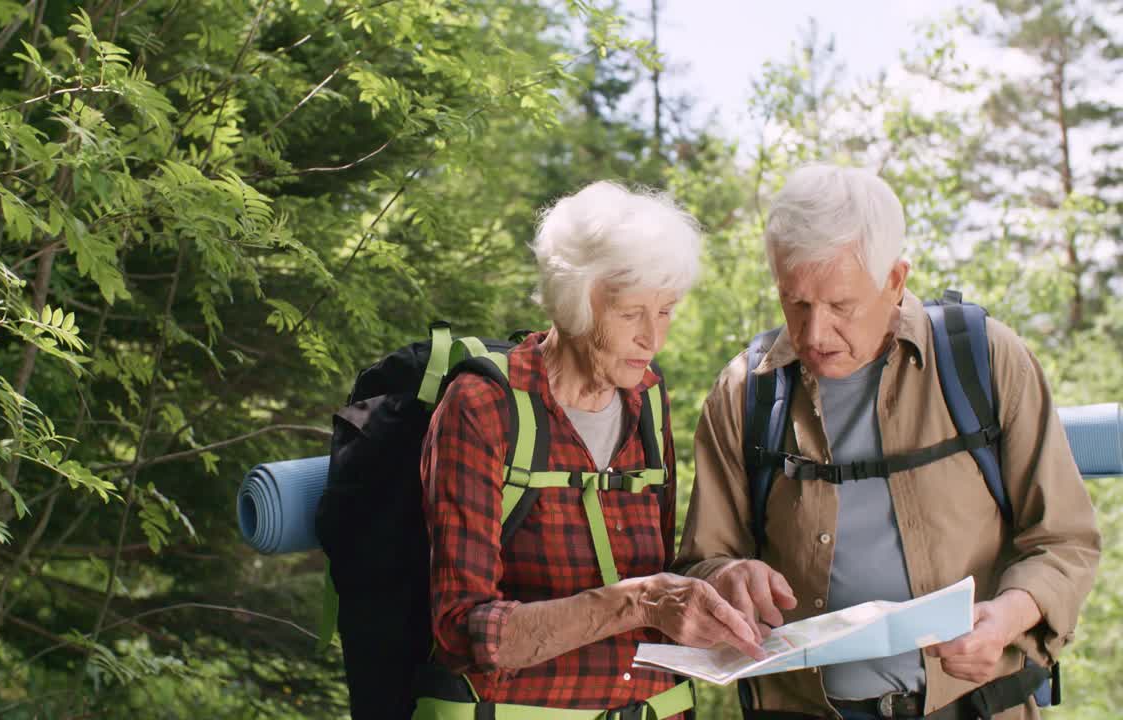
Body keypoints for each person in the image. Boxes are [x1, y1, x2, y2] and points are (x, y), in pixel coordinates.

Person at [677, 164, 1100, 720]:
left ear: (895, 281)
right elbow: (700, 565)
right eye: (795, 303)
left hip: (974, 706)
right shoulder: (744, 393)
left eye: (840, 306)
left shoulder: (987, 361)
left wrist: (1009, 616)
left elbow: (1064, 541)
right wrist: (727, 577)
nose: (813, 333)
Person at [415, 181, 763, 718]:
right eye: (630, 314)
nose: (653, 339)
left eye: (666, 311)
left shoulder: (647, 398)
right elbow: (463, 632)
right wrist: (636, 603)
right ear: (575, 298)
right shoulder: (483, 406)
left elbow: (658, 573)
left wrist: (717, 580)